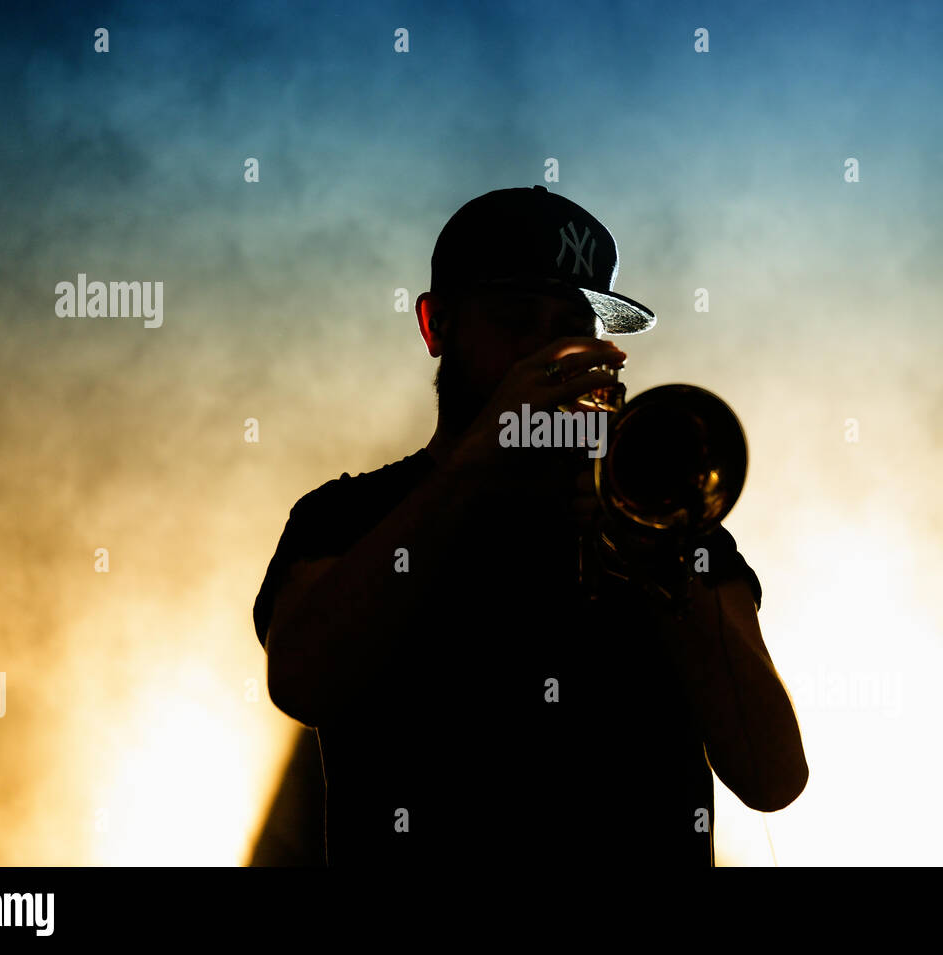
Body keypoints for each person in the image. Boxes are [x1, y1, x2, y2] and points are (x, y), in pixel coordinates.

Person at [252, 185, 807, 867]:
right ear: (436, 327)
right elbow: (302, 681)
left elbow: (773, 777)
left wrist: (656, 557)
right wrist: (474, 466)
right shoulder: (345, 517)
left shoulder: (667, 522)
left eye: (573, 324)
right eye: (518, 319)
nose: (552, 350)